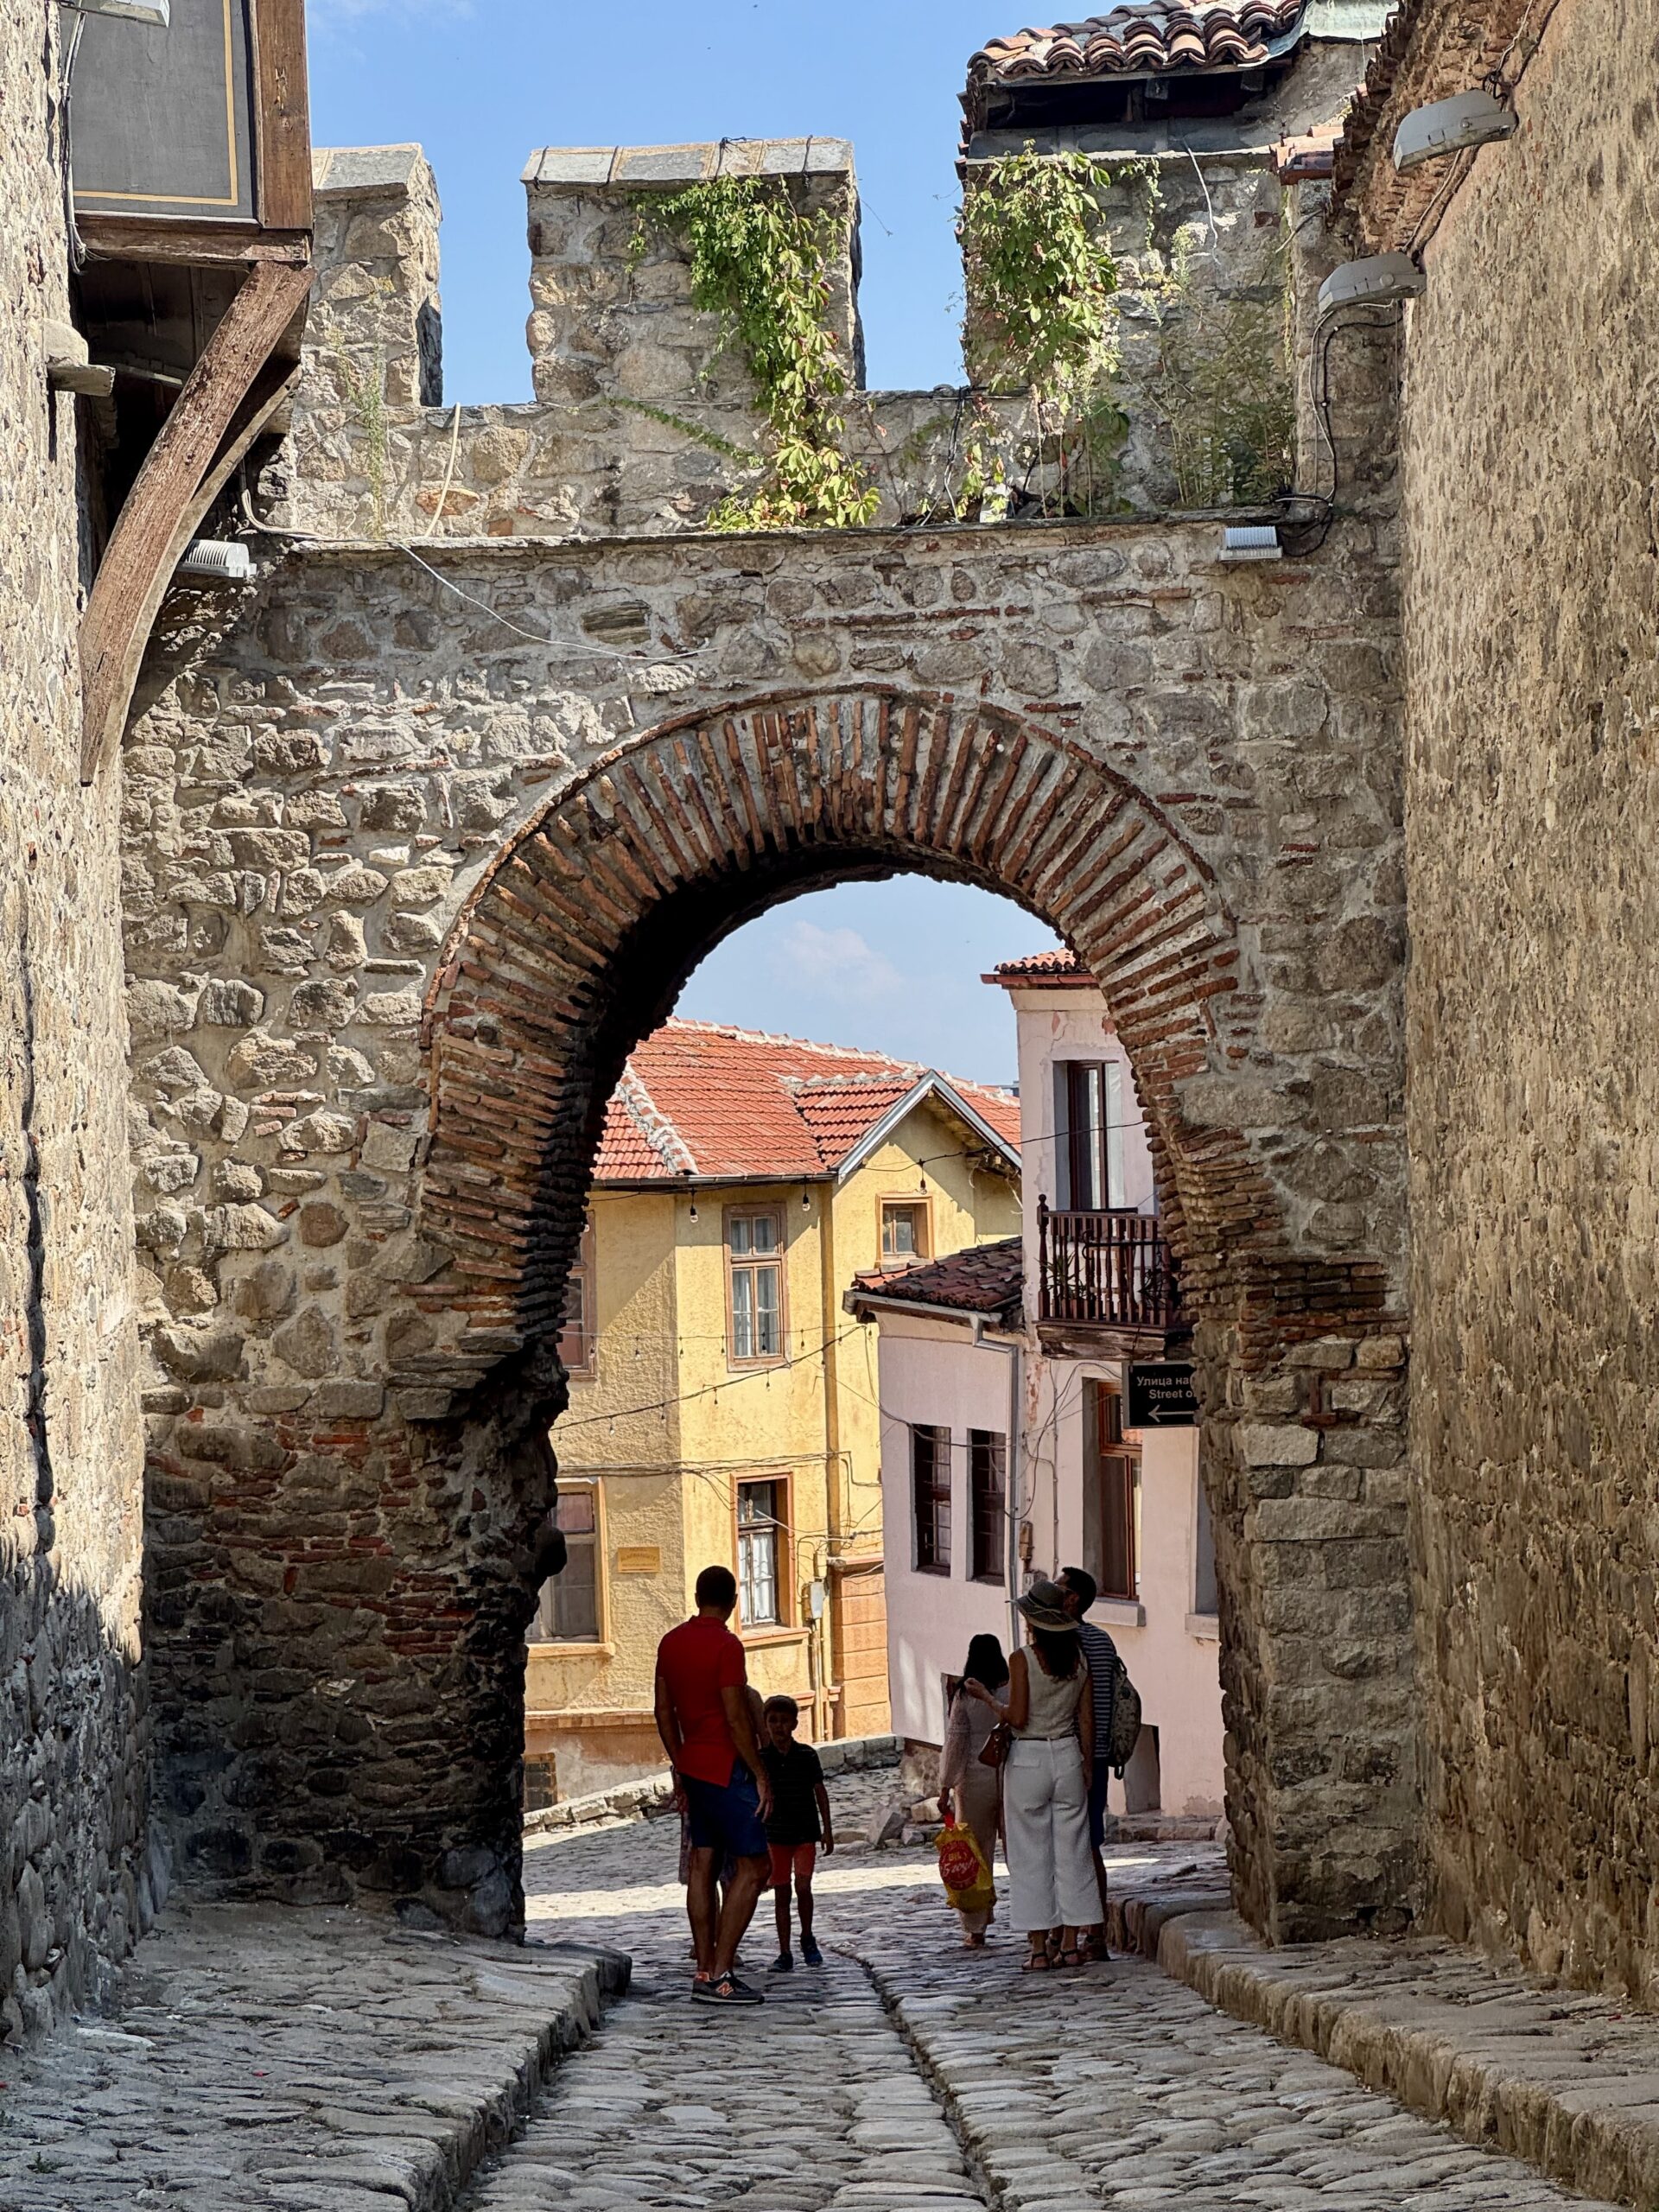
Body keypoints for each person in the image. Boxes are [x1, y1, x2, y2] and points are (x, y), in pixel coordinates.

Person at [655, 1565, 773, 2005]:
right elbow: (735, 1715)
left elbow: (662, 1712)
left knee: (704, 1865)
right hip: (725, 1767)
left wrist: (679, 1762)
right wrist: (760, 1773)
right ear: (733, 1600)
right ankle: (721, 1974)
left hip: (693, 1768)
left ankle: (703, 1968)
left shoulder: (671, 1642)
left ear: (696, 1595)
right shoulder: (727, 1645)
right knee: (756, 1867)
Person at [999, 1579, 1101, 1971]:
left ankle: (1040, 1948)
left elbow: (1018, 1716)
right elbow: (1086, 1718)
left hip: (1029, 1758)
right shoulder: (1080, 1660)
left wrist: (991, 1701)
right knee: (1073, 1853)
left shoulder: (1022, 1659)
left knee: (1031, 1856)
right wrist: (1087, 1763)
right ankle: (1072, 1943)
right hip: (1068, 1755)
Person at [1058, 1563, 1118, 1951]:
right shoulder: (1104, 1641)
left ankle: (1073, 1929)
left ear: (1073, 1599)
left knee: (1071, 1843)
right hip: (1098, 1754)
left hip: (1072, 1753)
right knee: (1091, 1841)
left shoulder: (1066, 1643)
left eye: (1060, 1589)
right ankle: (1096, 1929)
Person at [938, 1633, 1007, 1947]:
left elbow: (955, 1743)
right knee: (1019, 1851)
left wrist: (944, 1786)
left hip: (973, 1779)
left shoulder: (964, 1695)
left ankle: (976, 1928)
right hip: (1009, 1774)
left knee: (976, 1854)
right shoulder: (1011, 1689)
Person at [760, 1694, 834, 1971]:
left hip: (805, 1832)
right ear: (766, 1725)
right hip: (775, 1834)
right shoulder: (762, 1759)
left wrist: (827, 1829)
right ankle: (784, 1951)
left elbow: (820, 1792)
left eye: (784, 1721)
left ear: (794, 1723)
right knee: (782, 1891)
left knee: (803, 1887)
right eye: (773, 1721)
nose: (779, 1726)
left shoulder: (806, 1755)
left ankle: (807, 1936)